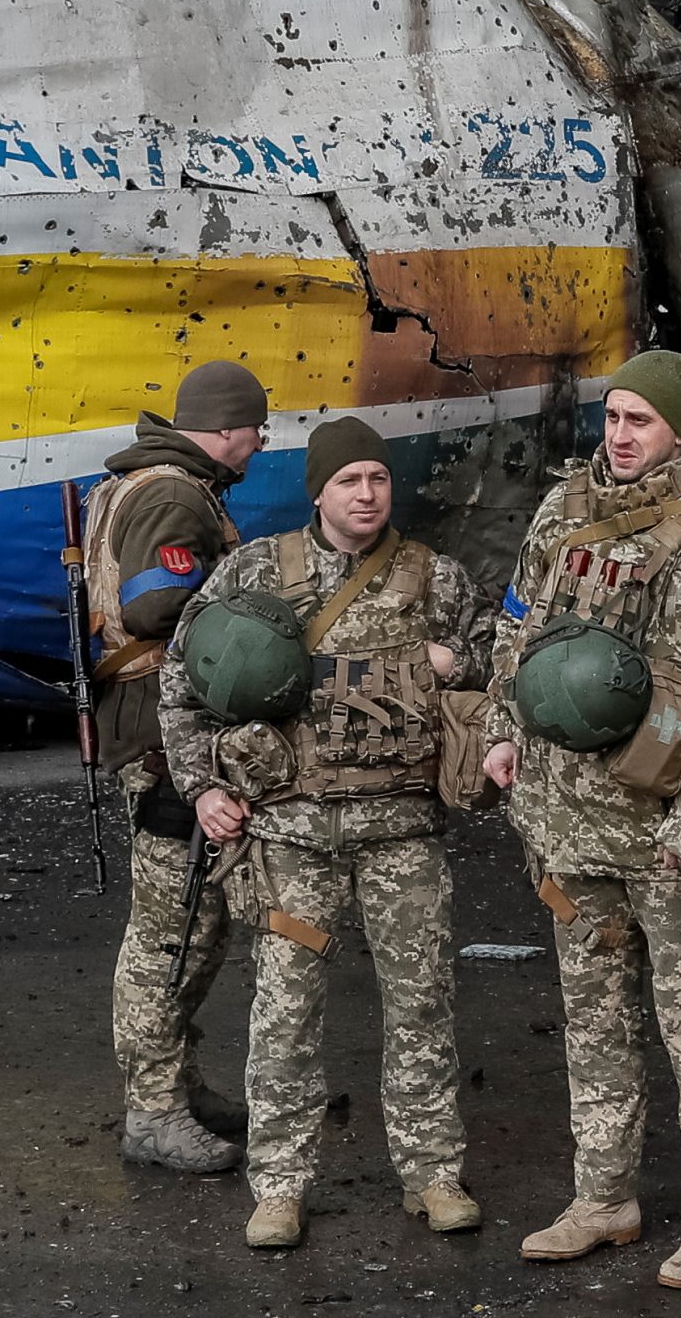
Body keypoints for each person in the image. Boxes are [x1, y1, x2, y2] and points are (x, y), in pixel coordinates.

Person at [486, 349, 681, 1288]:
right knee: (593, 1019)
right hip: (565, 819)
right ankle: (603, 1196)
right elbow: (516, 630)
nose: (619, 436)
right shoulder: (561, 512)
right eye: (612, 417)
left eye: (640, 421)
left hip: (661, 830)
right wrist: (500, 731)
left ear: (679, 430)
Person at [163, 414, 488, 1250]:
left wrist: (457, 664)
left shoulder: (436, 579)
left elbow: (503, 664)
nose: (366, 494)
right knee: (284, 1014)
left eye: (377, 478)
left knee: (420, 1004)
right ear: (318, 491)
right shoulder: (256, 571)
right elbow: (185, 680)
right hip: (292, 834)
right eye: (348, 480)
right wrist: (202, 786)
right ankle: (278, 1186)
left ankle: (432, 1173)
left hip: (402, 833)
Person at [82, 358, 270, 1174]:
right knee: (172, 929)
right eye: (256, 429)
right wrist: (251, 599)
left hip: (159, 725)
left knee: (200, 922)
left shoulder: (147, 481)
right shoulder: (173, 496)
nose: (259, 444)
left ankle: (179, 1086)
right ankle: (152, 1111)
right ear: (227, 427)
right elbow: (153, 604)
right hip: (162, 731)